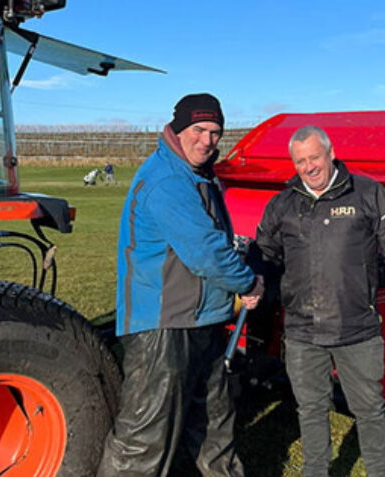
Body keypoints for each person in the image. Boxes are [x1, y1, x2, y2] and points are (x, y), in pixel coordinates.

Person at [97, 93, 263, 477]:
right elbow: (206, 252)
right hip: (163, 326)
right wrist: (247, 283)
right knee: (145, 439)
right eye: (199, 129)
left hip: (201, 320)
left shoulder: (198, 176)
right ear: (177, 128)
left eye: (215, 132)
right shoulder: (168, 180)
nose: (207, 140)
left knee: (214, 426)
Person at [255, 126, 385, 477]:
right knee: (311, 410)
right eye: (300, 161)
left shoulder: (367, 193)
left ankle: (380, 472)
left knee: (370, 410)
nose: (309, 167)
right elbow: (265, 254)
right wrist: (252, 283)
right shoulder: (283, 203)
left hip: (356, 328)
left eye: (314, 157)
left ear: (331, 153)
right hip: (302, 331)